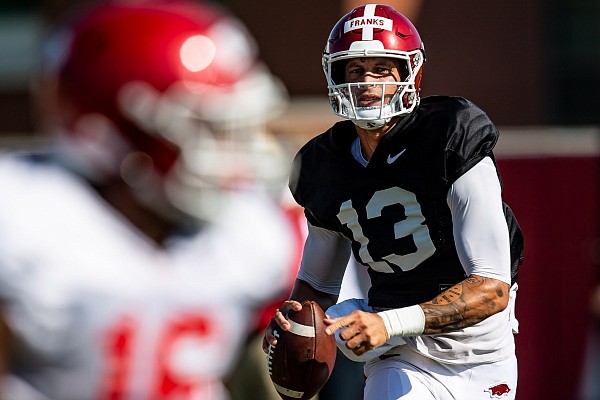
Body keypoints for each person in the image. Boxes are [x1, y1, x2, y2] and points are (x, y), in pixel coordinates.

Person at [0, 1, 296, 399]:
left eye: (232, 128)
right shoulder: (26, 220)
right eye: (204, 129)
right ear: (108, 133)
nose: (233, 159)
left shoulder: (249, 234)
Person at [263, 4, 524, 400]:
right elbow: (317, 284)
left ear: (409, 74)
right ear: (335, 76)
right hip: (398, 351)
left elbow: (490, 289)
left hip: (480, 348)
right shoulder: (324, 165)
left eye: (381, 69)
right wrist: (294, 321)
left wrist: (390, 322)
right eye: (354, 70)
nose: (366, 83)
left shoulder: (450, 135)